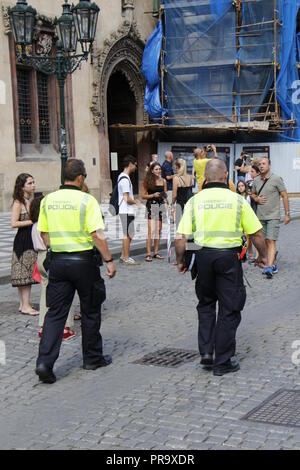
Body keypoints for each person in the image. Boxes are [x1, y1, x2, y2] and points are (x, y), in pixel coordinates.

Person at [175, 159, 267, 376]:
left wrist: (180, 261)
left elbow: (181, 238)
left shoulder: (194, 201)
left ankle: (206, 353)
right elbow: (257, 234)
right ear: (226, 175)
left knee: (206, 304)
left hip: (203, 258)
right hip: (228, 258)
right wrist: (263, 256)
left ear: (205, 177)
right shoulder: (238, 201)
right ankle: (223, 361)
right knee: (229, 307)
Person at [35, 159, 116, 384]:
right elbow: (97, 235)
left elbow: (43, 233)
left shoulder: (48, 200)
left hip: (59, 262)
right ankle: (92, 358)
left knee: (55, 314)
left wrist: (57, 248)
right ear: (80, 177)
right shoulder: (86, 200)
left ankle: (44, 363)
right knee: (90, 309)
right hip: (83, 262)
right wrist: (109, 261)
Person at [30, 196, 76, 341]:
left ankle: (43, 326)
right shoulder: (47, 225)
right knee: (64, 289)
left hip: (40, 258)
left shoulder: (34, 225)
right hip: (52, 256)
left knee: (45, 289)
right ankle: (65, 327)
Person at [251, 157, 291, 278]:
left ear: (269, 165)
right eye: (259, 164)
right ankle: (270, 262)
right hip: (260, 216)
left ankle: (269, 266)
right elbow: (252, 194)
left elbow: (284, 196)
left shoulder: (276, 179)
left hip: (273, 215)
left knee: (270, 240)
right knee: (262, 242)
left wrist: (287, 214)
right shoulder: (256, 180)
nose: (261, 166)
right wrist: (256, 198)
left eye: (264, 163)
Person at [11, 173, 38, 316]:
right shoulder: (18, 202)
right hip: (23, 239)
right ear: (22, 186)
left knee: (24, 273)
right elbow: (13, 223)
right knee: (24, 274)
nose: (33, 185)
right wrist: (32, 221)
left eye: (33, 182)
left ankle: (23, 304)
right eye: (30, 183)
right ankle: (26, 305)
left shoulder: (29, 200)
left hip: (28, 238)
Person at [142, 162, 167, 262]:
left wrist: (163, 197)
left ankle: (156, 252)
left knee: (159, 230)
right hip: (151, 206)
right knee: (151, 231)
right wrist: (153, 195)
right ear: (152, 170)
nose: (158, 171)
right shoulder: (147, 181)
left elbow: (165, 194)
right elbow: (143, 196)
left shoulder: (163, 181)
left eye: (159, 169)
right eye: (156, 169)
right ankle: (148, 254)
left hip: (160, 206)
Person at [118, 155, 141, 266]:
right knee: (128, 234)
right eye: (135, 164)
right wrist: (135, 201)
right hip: (126, 210)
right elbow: (127, 199)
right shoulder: (125, 179)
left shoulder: (123, 177)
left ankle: (123, 256)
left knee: (128, 233)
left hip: (126, 210)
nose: (136, 167)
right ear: (130, 164)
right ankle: (126, 257)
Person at [172, 158, 193, 226]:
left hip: (180, 205)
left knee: (180, 227)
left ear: (176, 166)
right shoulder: (190, 177)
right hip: (189, 204)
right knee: (188, 226)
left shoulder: (176, 178)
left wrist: (172, 204)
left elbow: (174, 195)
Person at [161, 151, 175, 221]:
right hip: (169, 187)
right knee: (171, 203)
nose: (173, 157)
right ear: (170, 156)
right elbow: (168, 177)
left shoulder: (166, 164)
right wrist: (176, 175)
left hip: (166, 186)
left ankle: (170, 218)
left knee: (167, 203)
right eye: (172, 155)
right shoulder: (167, 165)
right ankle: (171, 218)